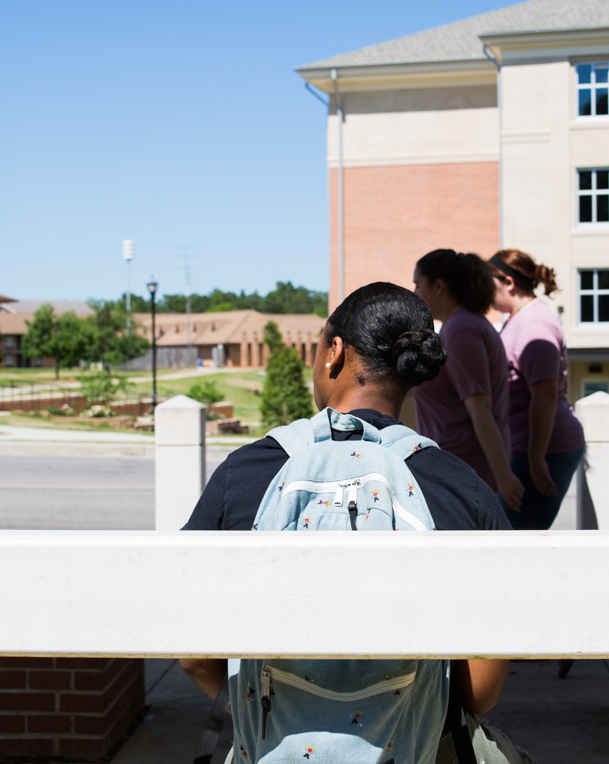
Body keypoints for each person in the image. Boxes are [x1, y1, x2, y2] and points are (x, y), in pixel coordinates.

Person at [180, 282, 511, 763]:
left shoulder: (246, 473)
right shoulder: (462, 487)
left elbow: (193, 656)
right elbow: (480, 691)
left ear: (333, 353)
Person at [412, 249, 523, 511]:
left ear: (438, 286)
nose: (415, 292)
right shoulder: (463, 325)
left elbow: (481, 408)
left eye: (418, 284)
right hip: (462, 471)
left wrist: (503, 477)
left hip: (464, 472)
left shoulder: (461, 329)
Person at [489, 249, 586, 531]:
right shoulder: (518, 317)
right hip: (525, 446)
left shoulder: (535, 324)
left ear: (508, 282)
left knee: (517, 539)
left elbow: (544, 394)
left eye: (487, 282)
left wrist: (536, 458)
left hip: (542, 449)